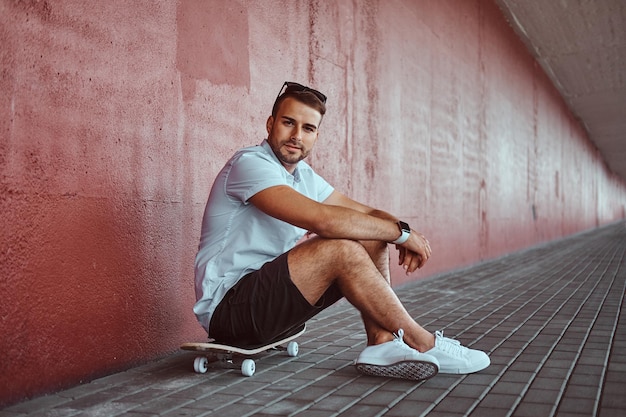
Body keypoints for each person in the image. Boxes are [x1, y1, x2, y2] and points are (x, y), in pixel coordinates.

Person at [193, 81, 490, 380]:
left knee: (369, 235)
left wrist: (403, 229)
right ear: (271, 124)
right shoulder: (249, 164)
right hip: (230, 310)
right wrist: (401, 236)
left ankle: (382, 343)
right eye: (288, 123)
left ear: (316, 136)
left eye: (308, 129)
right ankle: (424, 343)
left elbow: (366, 215)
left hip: (268, 304)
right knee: (341, 248)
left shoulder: (303, 177)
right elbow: (324, 221)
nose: (297, 135)